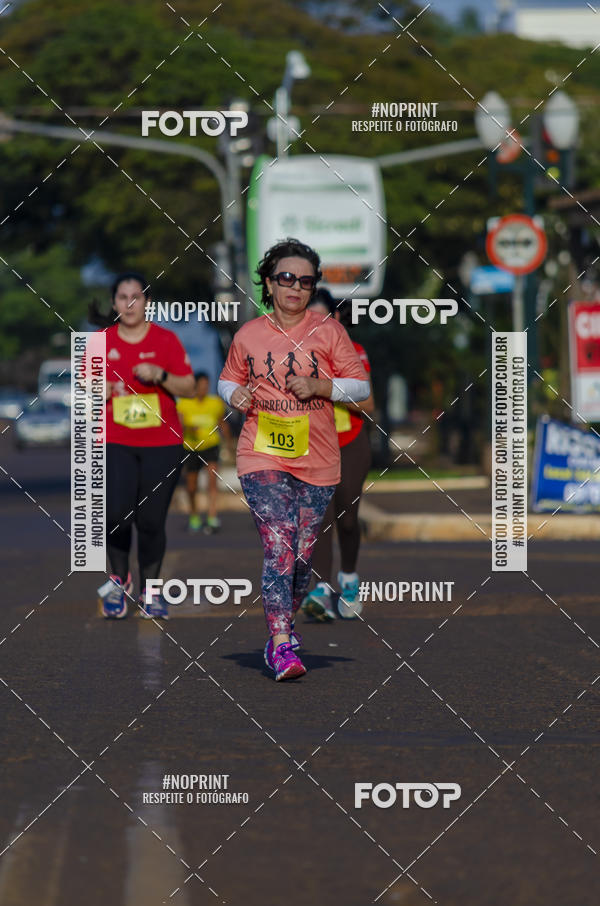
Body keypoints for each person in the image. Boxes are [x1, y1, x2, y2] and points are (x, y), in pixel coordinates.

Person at [218, 238, 369, 681]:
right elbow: (226, 381)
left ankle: (282, 629)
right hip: (261, 451)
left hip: (318, 458)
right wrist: (235, 393)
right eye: (286, 278)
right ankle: (282, 643)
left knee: (302, 556)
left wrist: (322, 387)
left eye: (305, 281)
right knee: (279, 542)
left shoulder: (329, 331)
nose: (296, 287)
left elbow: (359, 387)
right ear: (269, 282)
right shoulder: (248, 334)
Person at [90, 273, 195, 619]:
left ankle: (152, 591)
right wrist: (99, 391)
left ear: (146, 302)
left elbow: (190, 387)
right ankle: (119, 581)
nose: (129, 304)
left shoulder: (166, 341)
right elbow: (83, 392)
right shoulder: (100, 342)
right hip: (115, 439)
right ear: (114, 302)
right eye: (122, 297)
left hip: (162, 441)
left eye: (136, 297)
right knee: (116, 514)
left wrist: (161, 376)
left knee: (150, 521)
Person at [301, 289, 374, 621]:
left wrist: (325, 387)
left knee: (346, 519)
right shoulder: (295, 356)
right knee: (320, 519)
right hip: (312, 444)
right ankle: (320, 590)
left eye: (323, 319)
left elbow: (369, 405)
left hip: (350, 442)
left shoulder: (354, 352)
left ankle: (348, 578)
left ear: (338, 318)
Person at [177, 371, 233, 533]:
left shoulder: (215, 402)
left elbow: (222, 423)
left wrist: (229, 444)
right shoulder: (184, 403)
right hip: (191, 448)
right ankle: (194, 515)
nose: (204, 389)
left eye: (206, 386)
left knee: (212, 481)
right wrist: (189, 428)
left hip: (211, 445)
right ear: (195, 386)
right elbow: (178, 424)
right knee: (192, 486)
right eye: (201, 386)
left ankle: (212, 517)